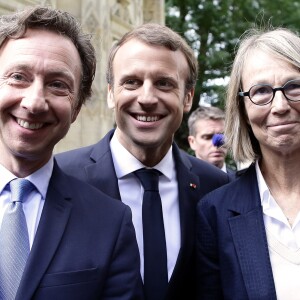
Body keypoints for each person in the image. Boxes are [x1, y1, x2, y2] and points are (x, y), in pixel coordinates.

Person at [56, 23, 230, 300]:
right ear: (111, 93)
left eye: (164, 83)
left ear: (187, 98)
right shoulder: (60, 178)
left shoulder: (217, 187)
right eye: (131, 82)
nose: (147, 98)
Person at [0, 6, 143, 300]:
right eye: (18, 77)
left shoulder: (109, 223)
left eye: (57, 84)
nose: (35, 101)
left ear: (77, 108)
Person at [196, 26, 300, 300]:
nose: (279, 105)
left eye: (294, 86)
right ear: (241, 108)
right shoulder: (214, 213)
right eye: (261, 91)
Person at [187, 106, 235, 176]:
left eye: (222, 135)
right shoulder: (180, 182)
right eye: (207, 137)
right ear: (192, 142)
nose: (217, 143)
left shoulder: (242, 182)